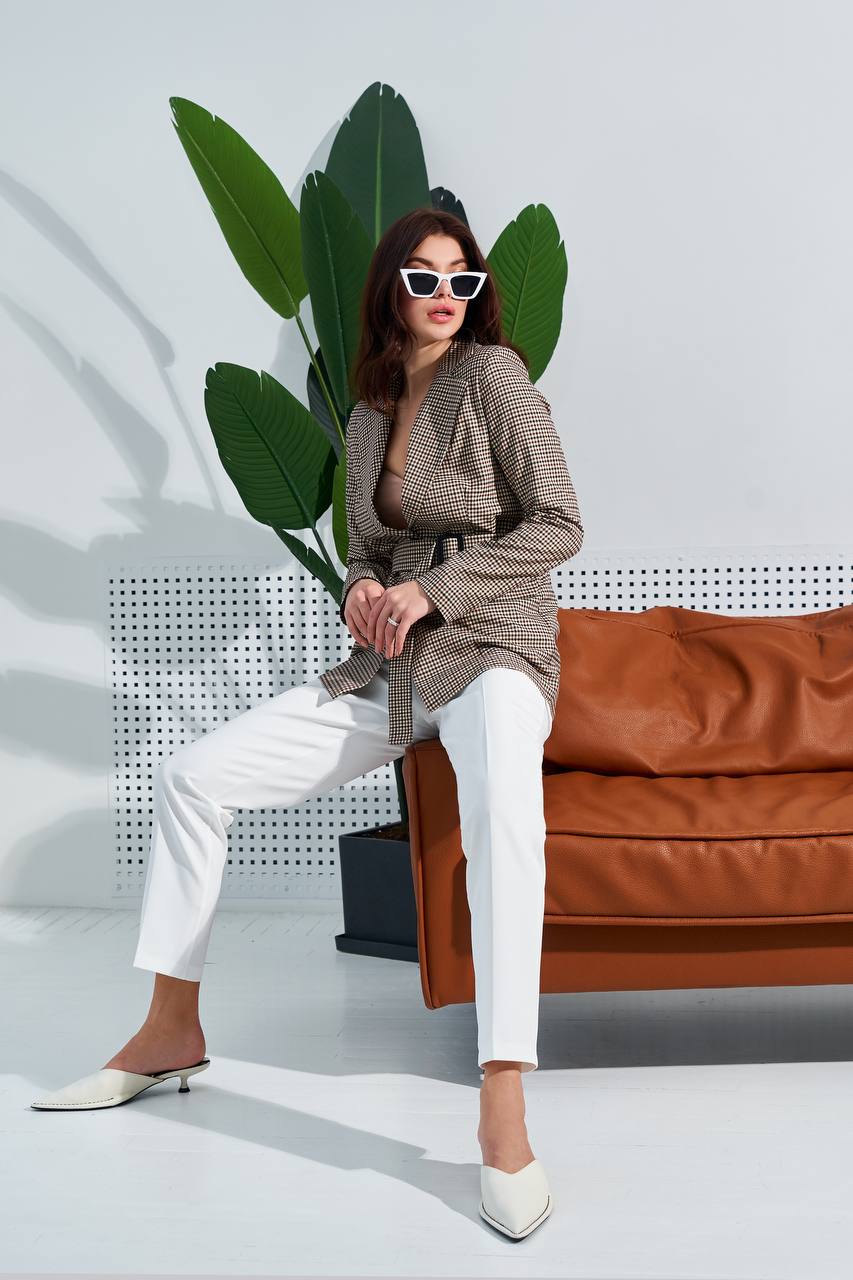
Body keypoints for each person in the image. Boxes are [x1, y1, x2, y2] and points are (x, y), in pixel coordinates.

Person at [30, 208, 584, 1241]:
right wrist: (364, 592)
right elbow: (369, 546)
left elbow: (560, 523)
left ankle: (503, 1097)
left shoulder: (494, 379)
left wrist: (436, 591)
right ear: (390, 288)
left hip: (493, 650)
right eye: (424, 278)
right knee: (196, 775)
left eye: (461, 283)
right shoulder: (369, 406)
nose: (443, 298)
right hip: (390, 667)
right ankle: (169, 1025)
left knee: (506, 804)